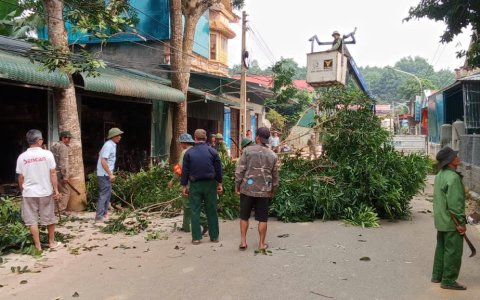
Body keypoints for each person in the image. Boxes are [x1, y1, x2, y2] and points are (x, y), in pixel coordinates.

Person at [16, 129, 61, 252]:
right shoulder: (47, 154)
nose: (42, 141)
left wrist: (23, 190)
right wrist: (56, 190)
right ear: (38, 141)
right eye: (41, 139)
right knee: (49, 218)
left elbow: (21, 177)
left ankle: (38, 247)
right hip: (45, 192)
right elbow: (53, 173)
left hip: (29, 193)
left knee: (32, 221)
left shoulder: (22, 157)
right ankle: (51, 243)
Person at [235, 127, 279, 251]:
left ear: (257, 137)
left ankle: (243, 241)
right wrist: (273, 189)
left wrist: (237, 185)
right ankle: (261, 244)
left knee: (244, 216)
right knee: (262, 218)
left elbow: (240, 170)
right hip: (264, 191)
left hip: (247, 189)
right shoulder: (272, 155)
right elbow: (275, 176)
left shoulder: (247, 151)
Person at [431, 146, 467, 290]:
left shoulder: (440, 174)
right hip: (452, 221)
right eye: (455, 156)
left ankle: (437, 275)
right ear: (451, 161)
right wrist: (460, 223)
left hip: (441, 220)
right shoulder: (453, 178)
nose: (458, 157)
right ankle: (449, 280)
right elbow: (455, 205)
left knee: (441, 248)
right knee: (453, 251)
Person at [181, 129, 223, 245]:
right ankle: (214, 237)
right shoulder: (213, 152)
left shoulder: (189, 153)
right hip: (210, 184)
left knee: (195, 210)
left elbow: (185, 171)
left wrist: (184, 186)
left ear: (195, 138)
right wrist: (219, 183)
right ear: (206, 139)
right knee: (212, 210)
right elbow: (218, 169)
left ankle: (196, 238)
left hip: (195, 185)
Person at [168, 133, 196, 232]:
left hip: (188, 182)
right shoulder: (195, 150)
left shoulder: (185, 152)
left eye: (181, 143)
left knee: (187, 204)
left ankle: (203, 222)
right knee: (193, 203)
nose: (180, 145)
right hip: (198, 181)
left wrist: (172, 181)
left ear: (184, 143)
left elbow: (179, 169)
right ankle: (186, 226)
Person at [95, 127, 123, 223]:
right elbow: (103, 160)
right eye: (118, 135)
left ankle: (104, 214)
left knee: (107, 194)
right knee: (104, 195)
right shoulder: (108, 145)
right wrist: (110, 174)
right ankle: (99, 217)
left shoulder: (111, 145)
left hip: (105, 173)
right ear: (113, 136)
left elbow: (100, 154)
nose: (120, 137)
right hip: (104, 174)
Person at [50, 131, 72, 216]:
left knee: (55, 191)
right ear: (63, 138)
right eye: (68, 138)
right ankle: (61, 209)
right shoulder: (63, 147)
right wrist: (65, 176)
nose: (69, 140)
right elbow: (63, 163)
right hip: (59, 173)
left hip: (53, 172)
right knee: (66, 192)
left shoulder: (53, 146)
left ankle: (54, 209)